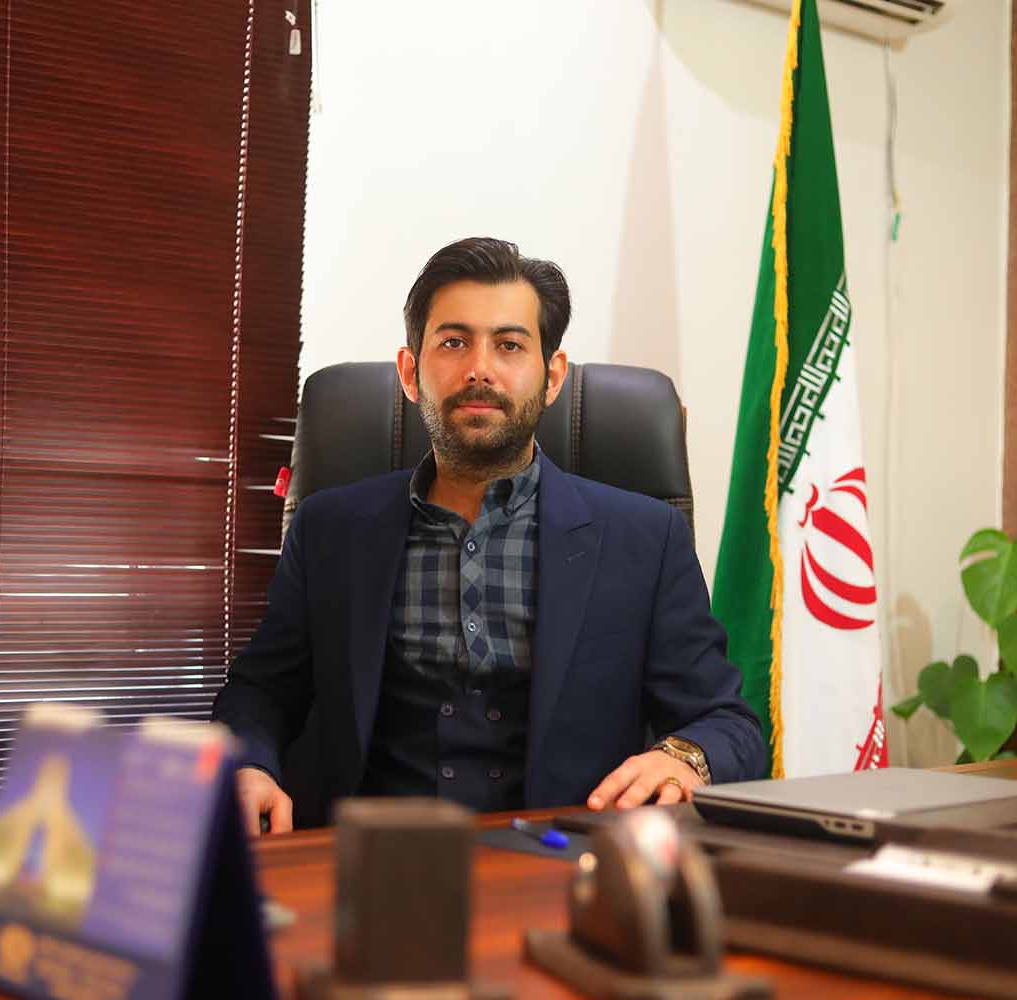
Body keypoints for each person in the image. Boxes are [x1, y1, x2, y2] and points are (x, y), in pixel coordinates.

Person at [212, 237, 766, 835]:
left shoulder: (646, 539)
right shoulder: (330, 529)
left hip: (567, 858)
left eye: (509, 345)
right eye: (454, 342)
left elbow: (728, 722)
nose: (480, 368)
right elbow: (260, 692)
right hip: (368, 858)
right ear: (410, 373)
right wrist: (250, 766)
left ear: (552, 377)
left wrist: (682, 758)